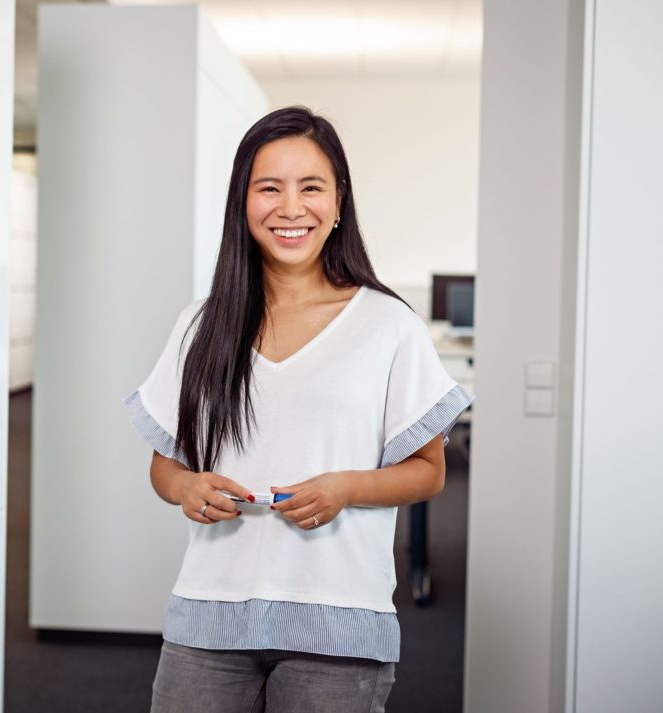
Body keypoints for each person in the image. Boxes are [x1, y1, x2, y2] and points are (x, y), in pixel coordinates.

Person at [123, 106, 474, 713]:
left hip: (336, 624)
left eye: (311, 187)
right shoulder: (201, 326)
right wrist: (185, 488)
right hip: (211, 616)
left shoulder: (388, 326)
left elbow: (429, 470)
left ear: (339, 202)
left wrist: (346, 487)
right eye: (269, 188)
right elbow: (164, 466)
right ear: (243, 203)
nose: (291, 208)